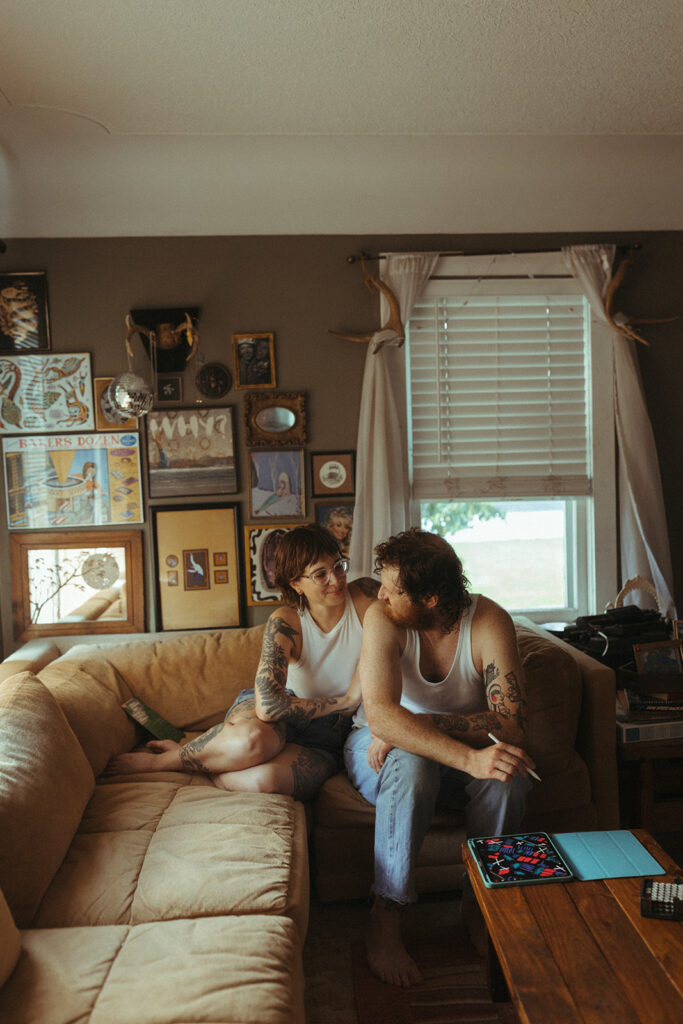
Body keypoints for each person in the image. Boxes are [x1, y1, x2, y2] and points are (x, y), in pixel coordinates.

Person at [344, 528, 536, 988]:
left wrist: (419, 724)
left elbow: (508, 725)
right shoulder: (382, 618)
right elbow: (383, 721)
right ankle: (386, 918)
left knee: (510, 774)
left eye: (393, 590)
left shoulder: (489, 621)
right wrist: (458, 754)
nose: (380, 596)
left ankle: (481, 903)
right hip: (376, 752)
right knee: (413, 762)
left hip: (450, 748)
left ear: (429, 597)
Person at [106, 524, 379, 801]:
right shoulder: (286, 620)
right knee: (250, 741)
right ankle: (167, 760)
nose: (336, 580)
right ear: (296, 583)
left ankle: (212, 763)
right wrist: (346, 701)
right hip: (277, 715)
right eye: (320, 574)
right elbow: (270, 707)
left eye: (339, 566)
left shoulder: (366, 595)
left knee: (264, 780)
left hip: (327, 735)